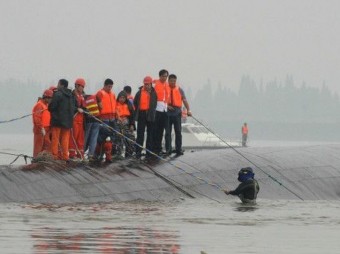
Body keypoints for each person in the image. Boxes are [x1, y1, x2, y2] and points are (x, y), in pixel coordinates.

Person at [48, 79, 76, 161]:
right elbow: (73, 108)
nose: (57, 86)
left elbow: (52, 107)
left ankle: (54, 156)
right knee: (65, 140)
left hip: (57, 120)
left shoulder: (58, 94)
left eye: (58, 84)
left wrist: (50, 107)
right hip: (68, 121)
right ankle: (65, 157)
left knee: (55, 139)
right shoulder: (71, 95)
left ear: (62, 85)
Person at [165, 74, 192, 156]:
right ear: (168, 81)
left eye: (174, 81)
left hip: (177, 112)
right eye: (171, 81)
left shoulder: (179, 90)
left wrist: (188, 110)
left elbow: (184, 100)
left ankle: (178, 149)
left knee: (178, 132)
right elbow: (161, 101)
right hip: (167, 112)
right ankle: (168, 149)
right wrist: (167, 106)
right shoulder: (165, 89)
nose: (173, 82)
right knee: (168, 132)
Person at [134, 76, 157, 158]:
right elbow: (135, 103)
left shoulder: (154, 93)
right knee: (140, 134)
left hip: (150, 114)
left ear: (151, 84)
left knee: (150, 134)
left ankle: (149, 152)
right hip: (142, 114)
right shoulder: (139, 93)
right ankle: (138, 152)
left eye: (148, 84)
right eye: (145, 84)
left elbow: (155, 103)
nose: (146, 86)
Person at [95, 78, 117, 162]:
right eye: (108, 86)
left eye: (111, 87)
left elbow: (115, 106)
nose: (110, 88)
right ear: (104, 85)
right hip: (103, 119)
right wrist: (99, 117)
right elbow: (97, 106)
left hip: (112, 118)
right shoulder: (100, 93)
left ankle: (108, 156)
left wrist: (116, 116)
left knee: (110, 138)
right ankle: (97, 154)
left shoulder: (113, 94)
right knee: (102, 137)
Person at [32, 89, 53, 158]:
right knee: (38, 146)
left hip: (46, 129)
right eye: (50, 98)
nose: (50, 100)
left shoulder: (46, 105)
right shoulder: (39, 105)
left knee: (47, 145)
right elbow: (37, 118)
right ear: (46, 97)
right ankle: (36, 159)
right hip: (40, 129)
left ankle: (45, 159)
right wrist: (41, 128)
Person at [153, 69, 170, 155]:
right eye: (163, 76)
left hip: (164, 109)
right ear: (160, 76)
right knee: (156, 130)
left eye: (166, 76)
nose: (165, 78)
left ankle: (159, 148)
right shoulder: (155, 83)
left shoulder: (167, 85)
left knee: (162, 130)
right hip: (157, 109)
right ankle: (155, 148)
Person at [69, 78, 86, 160]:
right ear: (77, 85)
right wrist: (76, 109)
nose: (82, 88)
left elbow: (84, 107)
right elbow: (71, 106)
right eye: (81, 86)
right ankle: (72, 155)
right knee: (73, 137)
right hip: (74, 119)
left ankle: (80, 155)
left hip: (81, 120)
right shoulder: (72, 95)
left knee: (80, 138)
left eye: (83, 86)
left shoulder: (82, 96)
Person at [115, 91, 135, 158]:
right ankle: (118, 154)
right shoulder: (115, 104)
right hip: (118, 124)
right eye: (120, 97)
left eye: (123, 98)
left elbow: (132, 116)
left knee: (131, 138)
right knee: (119, 139)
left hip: (127, 124)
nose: (122, 99)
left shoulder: (129, 104)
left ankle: (129, 153)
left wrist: (132, 125)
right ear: (118, 98)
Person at [83, 93, 101, 162]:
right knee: (94, 138)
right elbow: (101, 107)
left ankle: (82, 153)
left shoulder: (84, 99)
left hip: (88, 121)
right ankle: (91, 154)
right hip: (96, 119)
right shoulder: (94, 97)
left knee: (85, 137)